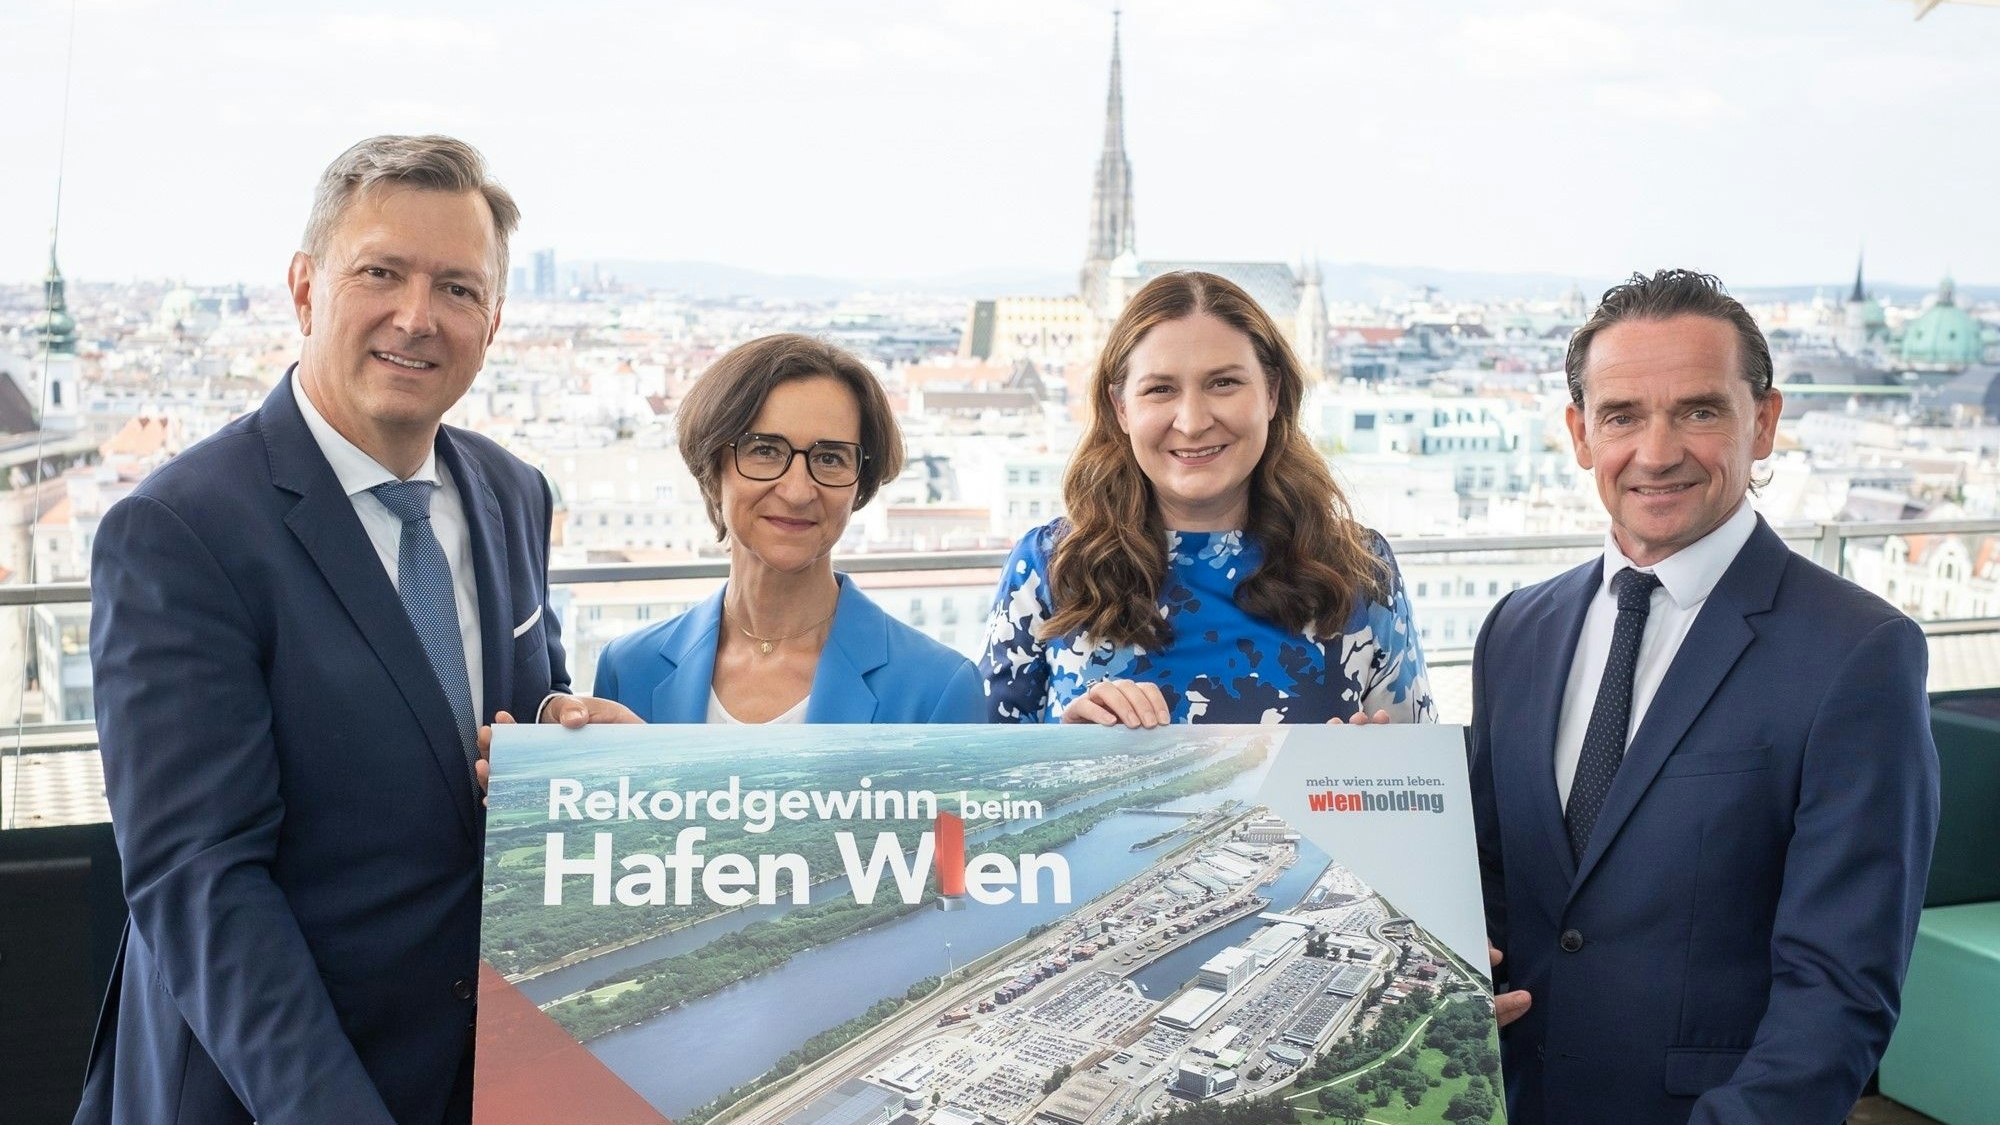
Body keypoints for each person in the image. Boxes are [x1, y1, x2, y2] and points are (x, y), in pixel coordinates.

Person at [76, 135, 635, 1125]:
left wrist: (571, 746)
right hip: (274, 1089)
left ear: (493, 319)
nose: (416, 317)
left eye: (457, 288)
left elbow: (511, 707)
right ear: (303, 287)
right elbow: (202, 883)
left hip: (483, 1075)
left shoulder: (511, 491)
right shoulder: (180, 531)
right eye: (381, 272)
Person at [1468, 269, 1939, 1125]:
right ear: (1579, 433)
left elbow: (1839, 989)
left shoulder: (1858, 654)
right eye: (1621, 416)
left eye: (1699, 410)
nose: (1656, 451)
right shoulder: (1516, 631)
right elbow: (1489, 893)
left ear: (1764, 423)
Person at [980, 270, 1431, 726]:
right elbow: (974, 788)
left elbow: (1425, 783)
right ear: (1121, 409)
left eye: (1223, 384)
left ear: (1272, 394)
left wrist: (1371, 777)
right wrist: (1065, 753)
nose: (1193, 422)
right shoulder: (1049, 568)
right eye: (1160, 389)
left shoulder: (1359, 569)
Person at [594, 333, 982, 722]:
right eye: (765, 450)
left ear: (860, 484)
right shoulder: (627, 671)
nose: (798, 491)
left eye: (830, 458)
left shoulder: (937, 688)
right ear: (713, 471)